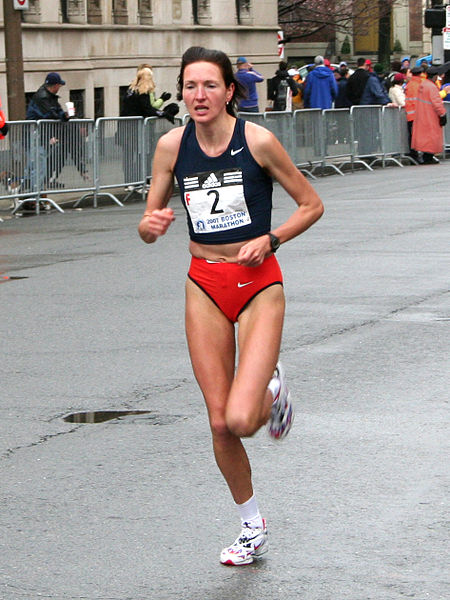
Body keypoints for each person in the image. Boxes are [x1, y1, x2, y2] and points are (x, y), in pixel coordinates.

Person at [138, 46, 324, 566]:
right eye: (191, 86)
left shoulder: (258, 141)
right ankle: (251, 526)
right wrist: (148, 227)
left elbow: (312, 204)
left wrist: (273, 239)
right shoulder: (171, 147)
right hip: (204, 284)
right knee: (219, 423)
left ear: (229, 92)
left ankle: (270, 388)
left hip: (259, 283)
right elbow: (150, 217)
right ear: (182, 90)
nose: (200, 95)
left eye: (210, 86)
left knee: (243, 419)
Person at [411, 66, 447, 164]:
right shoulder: (432, 87)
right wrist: (443, 114)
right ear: (435, 76)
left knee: (425, 137)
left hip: (422, 115)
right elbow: (437, 102)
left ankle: (426, 156)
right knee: (431, 137)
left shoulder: (423, 85)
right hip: (431, 116)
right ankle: (428, 157)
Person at [404, 66, 424, 162]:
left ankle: (415, 154)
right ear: (420, 74)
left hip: (411, 114)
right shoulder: (416, 85)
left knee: (413, 136)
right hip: (416, 115)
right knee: (415, 136)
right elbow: (417, 102)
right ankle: (414, 155)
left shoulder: (411, 84)